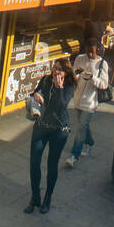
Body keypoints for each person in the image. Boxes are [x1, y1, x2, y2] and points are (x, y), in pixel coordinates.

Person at [25, 58, 75, 214]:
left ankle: (48, 198)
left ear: (65, 73)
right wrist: (36, 96)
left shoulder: (68, 86)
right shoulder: (46, 80)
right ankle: (35, 197)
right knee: (34, 162)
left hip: (59, 130)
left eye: (59, 69)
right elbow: (36, 92)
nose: (55, 72)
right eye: (54, 68)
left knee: (52, 164)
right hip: (42, 126)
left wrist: (59, 88)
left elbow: (61, 107)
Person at [66, 39, 110, 167]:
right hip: (78, 98)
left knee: (81, 128)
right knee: (83, 126)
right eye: (87, 52)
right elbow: (72, 75)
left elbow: (104, 84)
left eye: (91, 52)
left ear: (97, 50)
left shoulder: (102, 64)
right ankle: (90, 142)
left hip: (90, 102)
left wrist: (92, 78)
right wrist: (77, 73)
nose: (89, 55)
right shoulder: (80, 59)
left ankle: (74, 156)